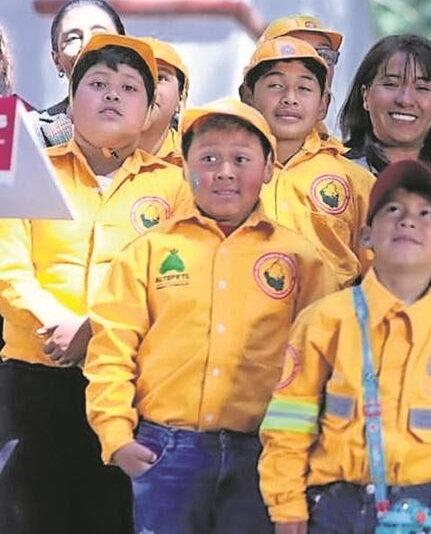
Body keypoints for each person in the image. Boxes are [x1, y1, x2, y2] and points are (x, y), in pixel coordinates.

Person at [84, 99, 337, 533]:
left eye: (241, 159)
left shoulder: (302, 260)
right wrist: (117, 436)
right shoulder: (149, 253)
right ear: (185, 168)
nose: (224, 171)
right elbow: (112, 348)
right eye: (209, 158)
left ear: (269, 168)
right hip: (165, 451)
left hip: (263, 452)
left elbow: (327, 362)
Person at [0, 33, 188, 532]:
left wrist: (98, 333)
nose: (111, 94)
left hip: (130, 390)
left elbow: (175, 284)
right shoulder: (32, 169)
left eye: (129, 88)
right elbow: (9, 269)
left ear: (151, 111)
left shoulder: (176, 187)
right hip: (33, 383)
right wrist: (59, 325)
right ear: (71, 96)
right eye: (98, 83)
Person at [259, 159, 431, 534]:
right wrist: (287, 509)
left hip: (421, 509)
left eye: (426, 214)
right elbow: (289, 427)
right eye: (393, 210)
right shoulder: (324, 321)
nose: (408, 221)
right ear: (367, 235)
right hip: (330, 510)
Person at [240, 36, 375, 287]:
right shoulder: (227, 174)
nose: (290, 98)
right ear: (247, 96)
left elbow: (381, 273)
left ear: (323, 104)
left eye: (304, 88)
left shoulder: (354, 180)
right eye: (275, 85)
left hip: (330, 320)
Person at [338, 34, 431, 174]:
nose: (405, 100)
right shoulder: (336, 175)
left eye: (421, 88)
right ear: (365, 96)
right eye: (391, 84)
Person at [39, 0, 126, 146]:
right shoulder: (30, 132)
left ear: (125, 48)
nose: (87, 45)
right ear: (57, 60)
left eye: (100, 34)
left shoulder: (159, 127)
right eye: (73, 38)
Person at [137, 36, 189, 166]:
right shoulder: (87, 154)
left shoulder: (196, 163)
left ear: (181, 96)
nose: (147, 86)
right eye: (135, 76)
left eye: (160, 77)